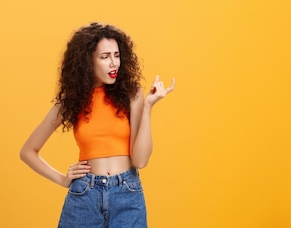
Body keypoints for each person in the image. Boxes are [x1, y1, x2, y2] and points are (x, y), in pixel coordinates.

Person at [19, 22, 175, 228]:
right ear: (87, 61)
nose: (114, 63)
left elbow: (140, 160)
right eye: (105, 57)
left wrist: (147, 107)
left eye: (117, 55)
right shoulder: (72, 101)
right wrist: (62, 179)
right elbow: (28, 151)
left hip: (127, 193)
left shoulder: (132, 94)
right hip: (85, 195)